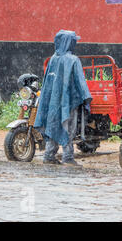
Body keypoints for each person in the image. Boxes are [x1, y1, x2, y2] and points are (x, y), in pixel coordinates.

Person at [34, 30, 92, 166]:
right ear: (70, 43)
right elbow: (80, 81)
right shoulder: (73, 60)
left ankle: (49, 155)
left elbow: (47, 82)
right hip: (68, 101)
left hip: (53, 101)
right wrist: (86, 98)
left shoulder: (52, 59)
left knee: (53, 125)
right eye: (73, 41)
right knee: (68, 128)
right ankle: (67, 157)